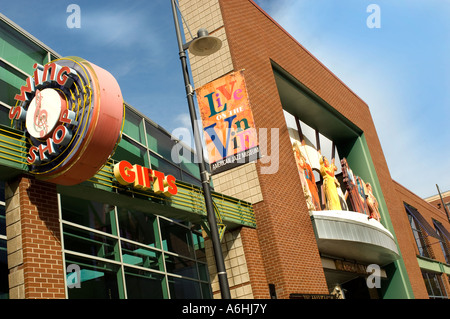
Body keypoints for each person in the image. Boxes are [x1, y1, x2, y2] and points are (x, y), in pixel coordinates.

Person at [293, 142, 321, 211]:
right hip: (302, 175)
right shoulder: (298, 160)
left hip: (306, 177)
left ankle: (314, 205)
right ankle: (311, 204)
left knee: (310, 189)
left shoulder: (307, 167)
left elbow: (309, 176)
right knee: (306, 189)